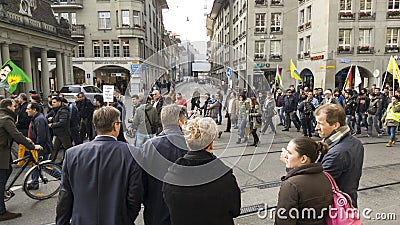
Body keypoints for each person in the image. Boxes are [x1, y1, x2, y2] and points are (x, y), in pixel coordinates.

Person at [56, 106, 142, 225]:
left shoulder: (72, 154)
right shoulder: (132, 153)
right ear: (115, 126)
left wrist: (62, 222)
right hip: (117, 219)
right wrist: (126, 218)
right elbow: (134, 194)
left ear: (95, 126)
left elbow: (65, 196)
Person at [163, 117, 241, 225]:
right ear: (211, 143)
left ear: (187, 143)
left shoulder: (171, 177)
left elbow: (168, 210)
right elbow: (235, 210)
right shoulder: (225, 177)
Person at [140, 105, 188, 225]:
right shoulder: (189, 145)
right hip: (184, 212)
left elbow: (141, 181)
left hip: (155, 210)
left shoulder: (149, 146)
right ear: (180, 122)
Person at [0, 99, 42, 221]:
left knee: (8, 170)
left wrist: (25, 139)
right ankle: (1, 212)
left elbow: (15, 133)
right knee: (1, 181)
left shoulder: (2, 116)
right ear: (8, 107)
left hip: (4, 153)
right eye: (14, 106)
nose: (16, 108)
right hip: (1, 153)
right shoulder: (7, 119)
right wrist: (32, 146)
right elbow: (16, 135)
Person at [315, 104, 364, 207]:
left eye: (320, 124)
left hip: (336, 209)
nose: (316, 128)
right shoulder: (356, 142)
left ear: (335, 125)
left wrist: (292, 167)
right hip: (349, 201)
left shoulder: (336, 153)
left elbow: (317, 187)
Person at [276, 137, 332, 225]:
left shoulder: (291, 185)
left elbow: (283, 220)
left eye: (289, 153)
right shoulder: (325, 177)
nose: (285, 156)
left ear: (303, 159)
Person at [25, 102, 52, 190]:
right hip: (38, 146)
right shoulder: (36, 118)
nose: (26, 111)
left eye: (28, 109)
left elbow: (41, 136)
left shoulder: (39, 119)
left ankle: (63, 179)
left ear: (34, 110)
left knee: (45, 166)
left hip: (42, 147)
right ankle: (34, 182)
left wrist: (37, 146)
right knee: (36, 165)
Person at [48, 97, 72, 163]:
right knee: (55, 148)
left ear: (59, 102)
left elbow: (62, 122)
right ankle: (50, 162)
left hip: (63, 133)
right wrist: (53, 119)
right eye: (52, 102)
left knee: (68, 149)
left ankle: (70, 161)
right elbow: (59, 119)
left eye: (54, 102)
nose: (52, 104)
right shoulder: (58, 110)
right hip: (59, 133)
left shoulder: (63, 110)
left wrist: (52, 125)